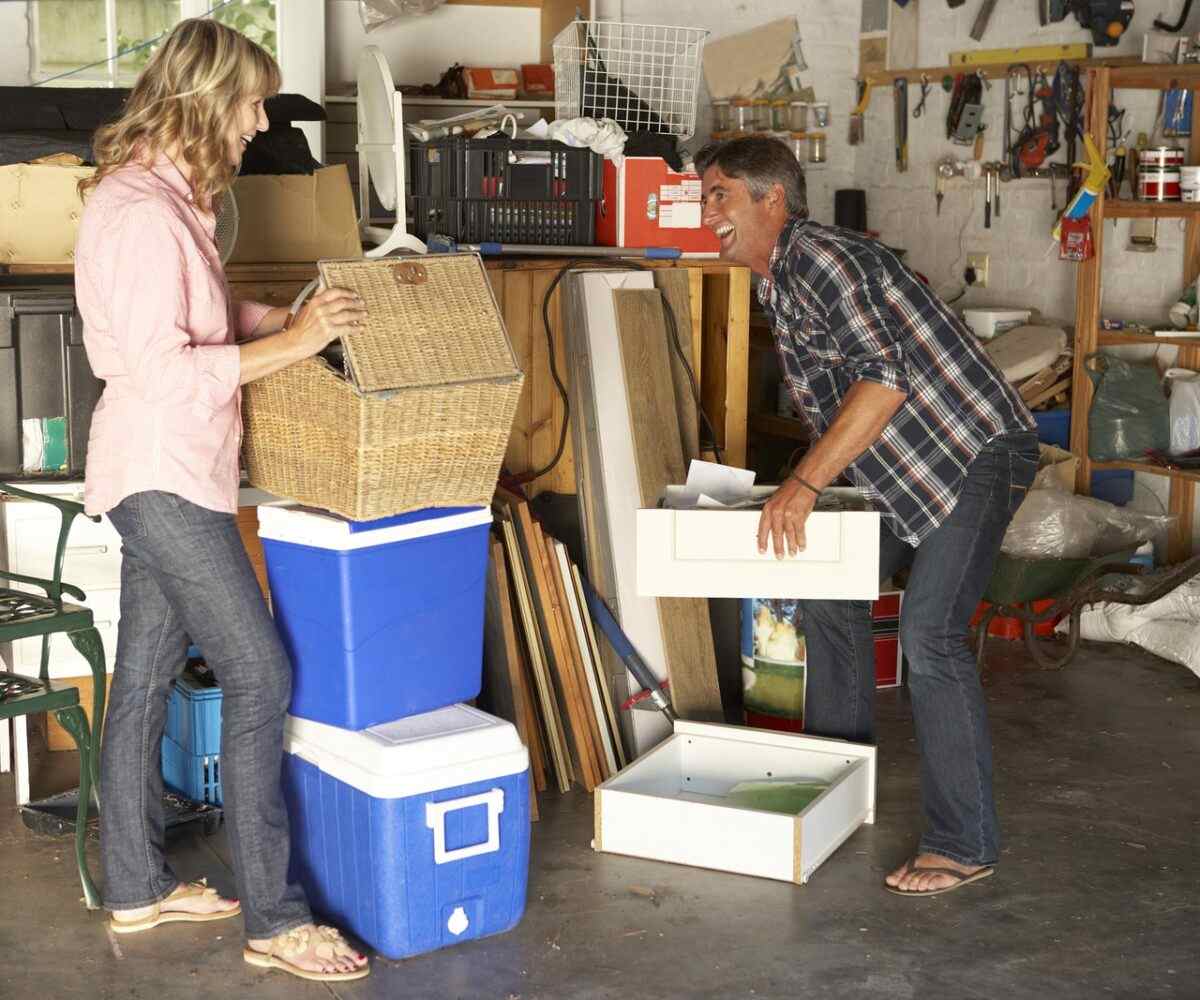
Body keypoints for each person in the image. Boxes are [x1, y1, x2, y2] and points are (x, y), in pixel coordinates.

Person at [75, 19, 370, 981]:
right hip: (162, 475)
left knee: (145, 684)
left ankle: (134, 888)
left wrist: (281, 321)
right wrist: (291, 346)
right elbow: (164, 370)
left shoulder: (172, 204)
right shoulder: (141, 214)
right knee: (260, 677)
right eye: (249, 103)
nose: (257, 122)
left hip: (170, 474)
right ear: (207, 101)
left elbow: (201, 316)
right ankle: (276, 920)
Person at [697, 136, 1039, 897]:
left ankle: (964, 842)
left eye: (721, 194)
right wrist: (799, 483)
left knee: (930, 633)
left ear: (771, 198)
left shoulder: (820, 258)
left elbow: (882, 382)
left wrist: (806, 484)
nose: (706, 211)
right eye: (704, 196)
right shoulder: (776, 282)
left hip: (975, 451)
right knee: (828, 595)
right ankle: (839, 790)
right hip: (901, 471)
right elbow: (844, 401)